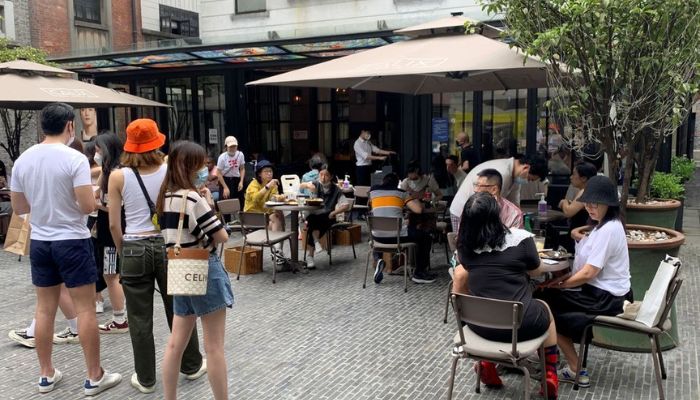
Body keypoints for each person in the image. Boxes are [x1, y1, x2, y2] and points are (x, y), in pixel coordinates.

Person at [10, 102, 121, 395]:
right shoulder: (75, 160)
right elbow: (86, 205)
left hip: (41, 241)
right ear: (70, 126)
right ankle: (94, 375)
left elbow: (20, 207)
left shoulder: (23, 159)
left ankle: (46, 374)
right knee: (85, 309)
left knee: (44, 309)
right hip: (72, 239)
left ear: (42, 126)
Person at [108, 119, 205, 394]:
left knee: (139, 318)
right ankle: (192, 365)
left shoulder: (118, 176)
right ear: (156, 142)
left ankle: (146, 378)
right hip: (169, 245)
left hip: (134, 247)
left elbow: (114, 224)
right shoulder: (169, 170)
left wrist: (123, 249)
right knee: (181, 309)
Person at [451, 192, 560, 396]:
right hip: (521, 326)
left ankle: (488, 364)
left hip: (479, 326)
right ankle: (550, 374)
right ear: (496, 215)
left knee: (486, 302)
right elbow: (535, 270)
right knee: (545, 309)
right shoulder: (521, 239)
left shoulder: (464, 248)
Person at [538, 176, 631, 388]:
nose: (589, 207)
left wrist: (561, 284)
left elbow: (589, 272)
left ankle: (574, 367)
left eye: (594, 203)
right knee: (544, 296)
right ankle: (552, 353)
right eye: (587, 203)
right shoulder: (604, 225)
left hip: (606, 298)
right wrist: (560, 282)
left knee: (545, 308)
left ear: (609, 204)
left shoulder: (609, 229)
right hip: (603, 292)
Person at [157, 141, 232, 400]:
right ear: (188, 166)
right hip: (203, 268)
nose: (205, 169)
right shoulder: (193, 198)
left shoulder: (166, 197)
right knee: (214, 348)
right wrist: (208, 203)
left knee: (176, 342)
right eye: (201, 164)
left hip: (180, 268)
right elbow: (220, 236)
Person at [449, 154, 548, 231]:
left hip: (479, 212)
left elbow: (514, 205)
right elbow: (493, 205)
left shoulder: (515, 177)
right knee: (464, 251)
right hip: (463, 211)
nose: (527, 182)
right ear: (526, 168)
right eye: (529, 179)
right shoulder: (502, 173)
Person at [369, 173, 436, 284]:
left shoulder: (373, 192)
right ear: (397, 184)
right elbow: (418, 210)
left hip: (377, 237)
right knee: (425, 237)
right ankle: (419, 273)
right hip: (397, 237)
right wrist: (414, 199)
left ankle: (378, 259)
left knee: (381, 230)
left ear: (383, 182)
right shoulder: (401, 193)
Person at [94, 133, 128, 334]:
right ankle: (120, 315)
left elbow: (117, 208)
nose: (96, 153)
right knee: (110, 274)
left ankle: (120, 318)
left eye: (98, 149)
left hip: (112, 229)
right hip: (107, 228)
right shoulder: (110, 171)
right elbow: (98, 190)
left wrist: (98, 205)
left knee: (110, 274)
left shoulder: (118, 173)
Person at [298, 168, 351, 268]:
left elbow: (346, 205)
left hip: (328, 216)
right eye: (321, 174)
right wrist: (308, 185)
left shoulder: (336, 190)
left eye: (326, 175)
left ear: (331, 177)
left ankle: (310, 256)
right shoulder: (316, 183)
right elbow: (301, 185)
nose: (323, 177)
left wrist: (334, 212)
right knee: (313, 219)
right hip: (315, 214)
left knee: (312, 223)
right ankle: (316, 242)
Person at [244, 160, 286, 262]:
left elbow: (273, 201)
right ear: (259, 174)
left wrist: (280, 197)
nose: (269, 174)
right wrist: (267, 187)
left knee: (278, 215)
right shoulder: (253, 184)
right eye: (266, 171)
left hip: (265, 217)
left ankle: (276, 251)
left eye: (271, 171)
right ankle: (277, 250)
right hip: (253, 219)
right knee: (276, 219)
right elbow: (255, 199)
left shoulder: (273, 185)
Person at [559, 162, 598, 231]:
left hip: (582, 231)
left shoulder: (585, 191)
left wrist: (564, 201)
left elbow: (568, 212)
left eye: (574, 174)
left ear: (583, 178)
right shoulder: (592, 189)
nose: (571, 177)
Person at [216, 136, 245, 206]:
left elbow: (242, 168)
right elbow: (218, 173)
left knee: (240, 201)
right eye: (231, 146)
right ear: (226, 147)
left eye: (234, 146)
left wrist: (241, 181)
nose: (233, 148)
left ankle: (239, 216)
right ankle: (226, 217)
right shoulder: (222, 157)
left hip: (236, 179)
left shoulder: (240, 155)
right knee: (226, 201)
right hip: (225, 180)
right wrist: (225, 187)